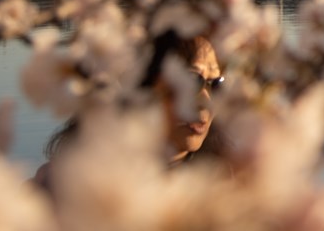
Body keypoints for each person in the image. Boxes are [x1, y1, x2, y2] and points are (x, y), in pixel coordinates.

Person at [33, 32, 226, 191]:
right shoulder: (63, 186)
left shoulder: (227, 187)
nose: (206, 103)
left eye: (216, 84)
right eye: (192, 81)